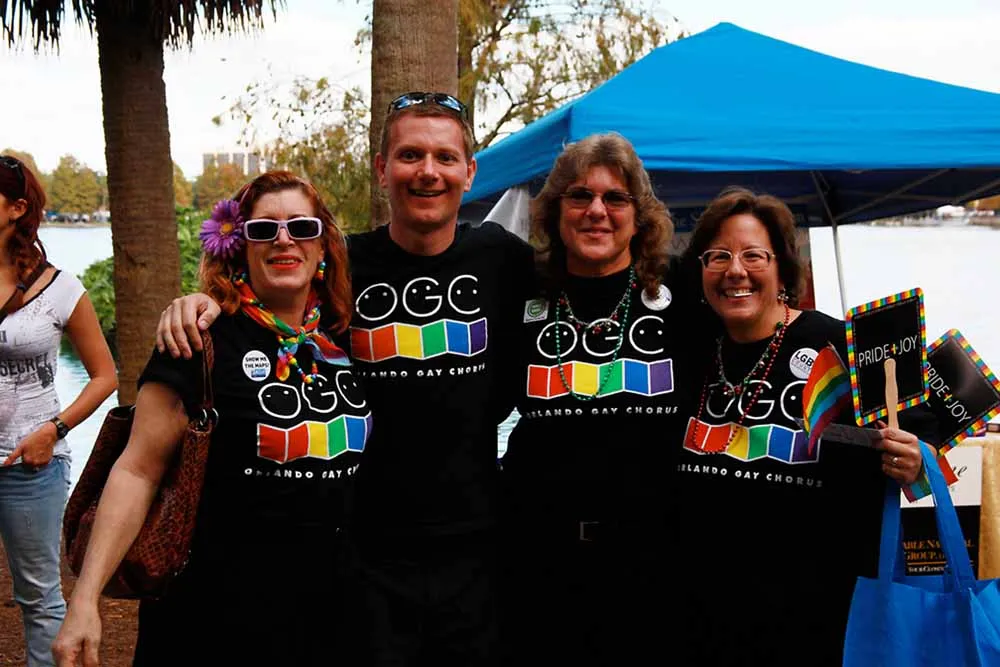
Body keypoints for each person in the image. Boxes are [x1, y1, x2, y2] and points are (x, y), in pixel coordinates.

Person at [153, 94, 533, 666]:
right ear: (381, 169)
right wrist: (199, 301)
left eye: (445, 157)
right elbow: (265, 301)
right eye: (410, 155)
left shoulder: (505, 259)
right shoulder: (342, 268)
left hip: (476, 549)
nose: (428, 171)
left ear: (469, 172)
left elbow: (588, 284)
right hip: (362, 555)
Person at [53, 171, 365, 666]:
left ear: (323, 244)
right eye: (264, 229)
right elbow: (137, 470)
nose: (284, 240)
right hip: (213, 621)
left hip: (328, 617)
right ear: (240, 246)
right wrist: (85, 600)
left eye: (302, 227)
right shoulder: (194, 343)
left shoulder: (345, 337)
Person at [675, 187, 935, 666]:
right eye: (719, 256)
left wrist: (915, 457)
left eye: (754, 255)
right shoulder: (693, 350)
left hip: (820, 620)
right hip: (708, 616)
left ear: (782, 270)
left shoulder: (836, 344)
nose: (735, 270)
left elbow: (926, 440)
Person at [499, 133, 686, 665]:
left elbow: (766, 329)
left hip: (653, 570)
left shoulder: (684, 295)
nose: (596, 211)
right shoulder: (520, 294)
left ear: (639, 215)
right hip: (539, 569)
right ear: (556, 211)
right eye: (580, 195)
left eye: (615, 198)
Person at [0, 155, 117, 667]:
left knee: (39, 599)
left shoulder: (60, 288)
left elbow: (105, 376)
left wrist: (54, 429)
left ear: (16, 209)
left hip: (29, 468)